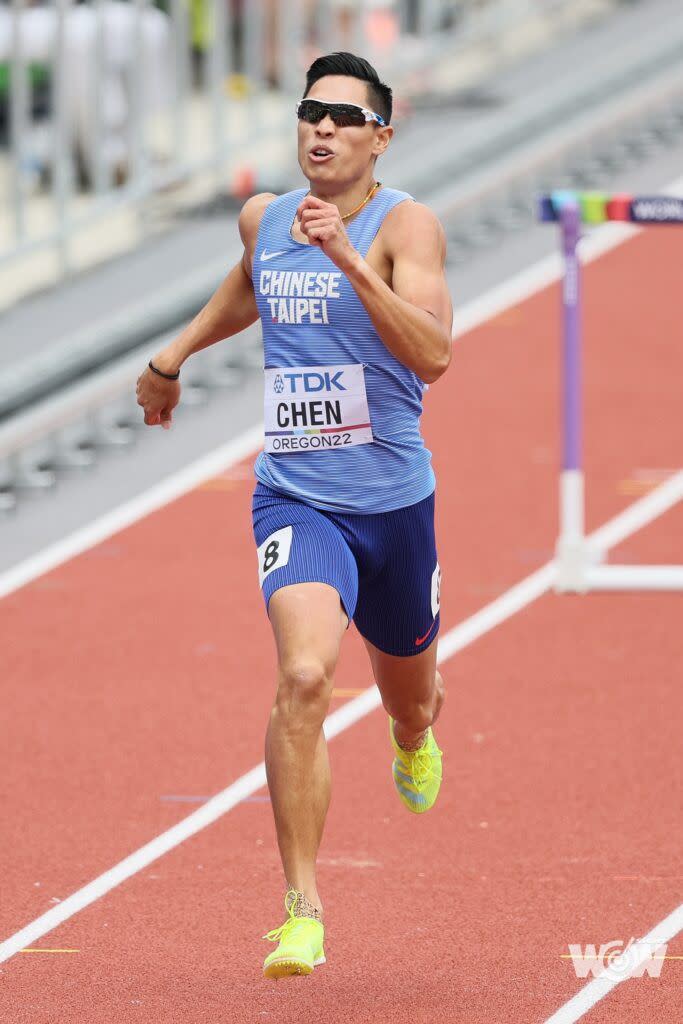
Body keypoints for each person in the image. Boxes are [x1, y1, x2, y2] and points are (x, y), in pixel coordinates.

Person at [135, 50, 453, 979]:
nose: (321, 128)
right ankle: (302, 909)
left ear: (379, 137)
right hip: (296, 494)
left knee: (411, 696)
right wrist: (174, 356)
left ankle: (413, 735)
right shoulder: (265, 219)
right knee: (305, 676)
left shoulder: (408, 227)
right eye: (310, 112)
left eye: (343, 118)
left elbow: (432, 354)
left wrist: (350, 260)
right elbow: (250, 283)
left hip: (393, 506)